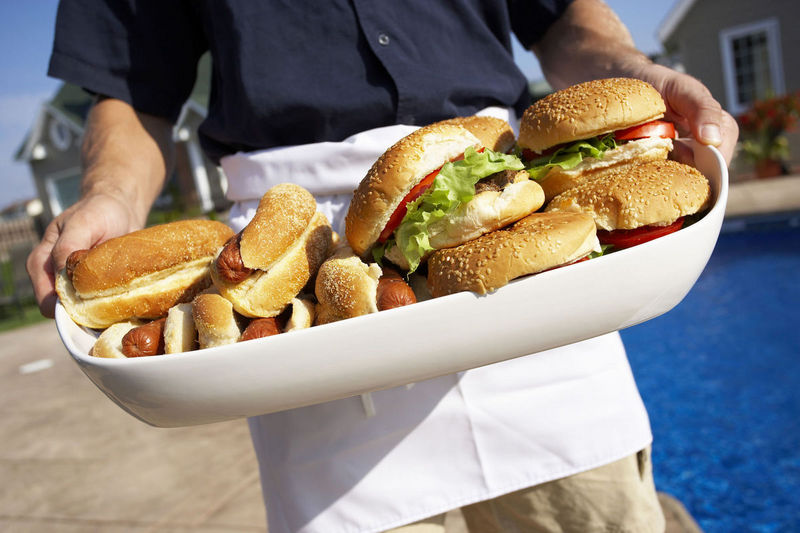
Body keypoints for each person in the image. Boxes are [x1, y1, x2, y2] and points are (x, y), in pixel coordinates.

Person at [29, 1, 738, 532]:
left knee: (594, 507)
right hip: (296, 262)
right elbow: (130, 90)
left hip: (512, 217)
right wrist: (108, 199)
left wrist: (639, 75)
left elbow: (560, 21)